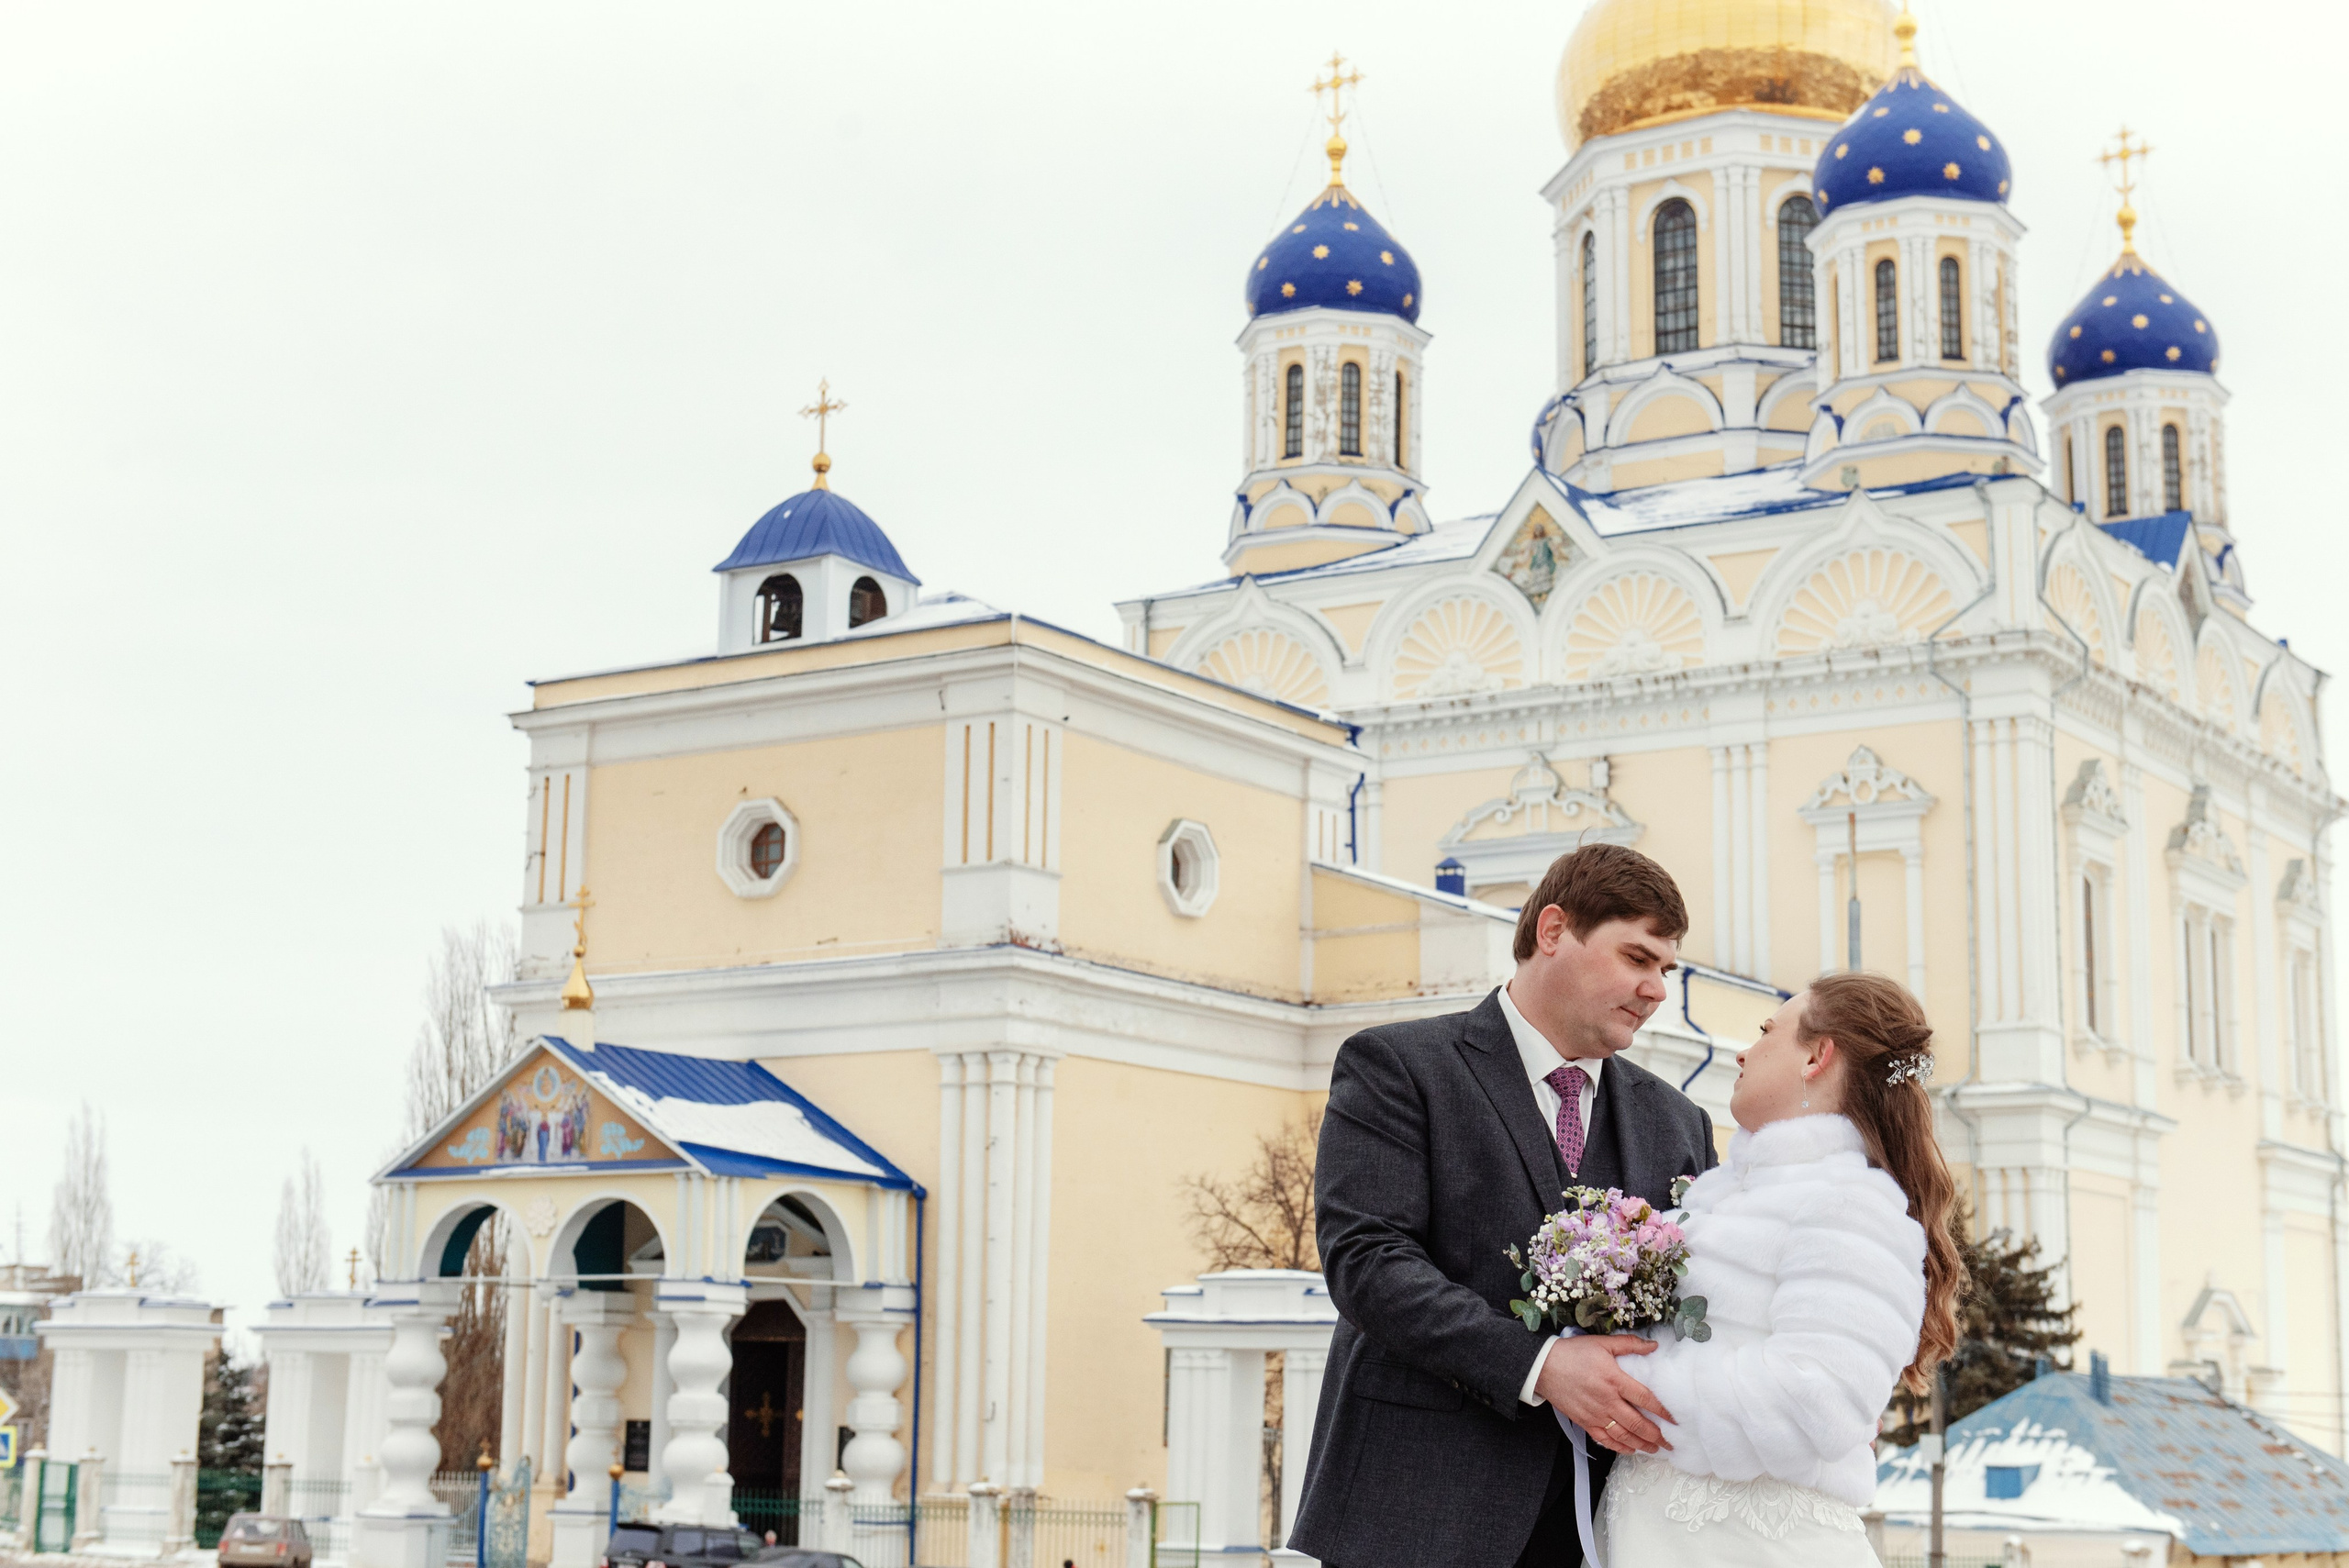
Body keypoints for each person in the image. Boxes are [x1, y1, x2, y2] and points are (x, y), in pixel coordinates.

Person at [1288, 844, 1718, 1568]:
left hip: (1612, 1530)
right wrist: (1540, 1363)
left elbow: (1705, 1301)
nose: (1655, 990)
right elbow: (1367, 1261)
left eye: (1665, 970)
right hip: (1417, 1514)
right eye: (1637, 958)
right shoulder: (1399, 1066)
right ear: (1554, 930)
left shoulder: (1679, 1122)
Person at [1595, 972, 1965, 1566]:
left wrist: (1628, 1393)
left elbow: (1814, 1398)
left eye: (1768, 1031)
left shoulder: (1850, 1203)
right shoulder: (1722, 1194)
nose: (1744, 1049)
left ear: (1818, 1055)